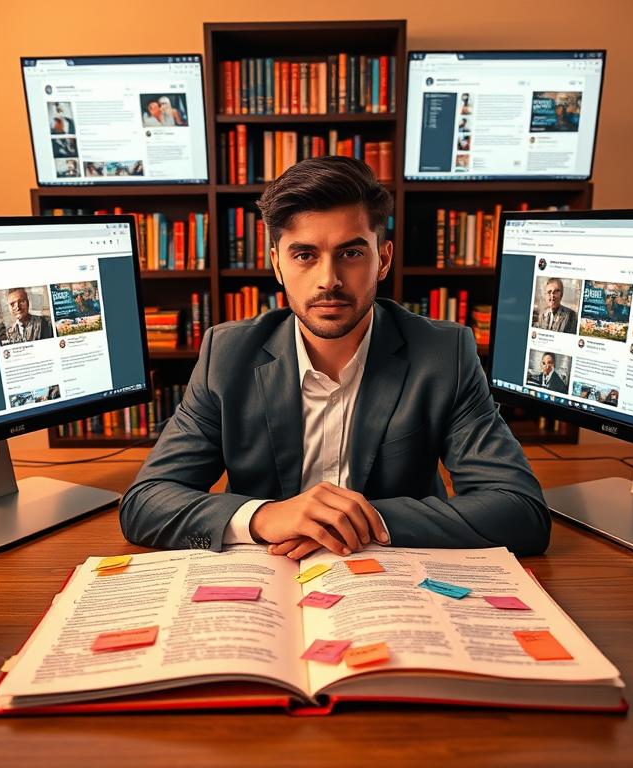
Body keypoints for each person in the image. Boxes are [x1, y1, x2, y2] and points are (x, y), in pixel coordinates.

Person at [120, 156, 549, 558]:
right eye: (305, 255)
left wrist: (365, 520)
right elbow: (146, 501)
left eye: (351, 253)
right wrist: (266, 516)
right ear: (277, 264)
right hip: (269, 577)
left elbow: (520, 511)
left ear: (382, 259)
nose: (329, 280)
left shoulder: (444, 353)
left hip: (392, 581)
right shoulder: (227, 354)